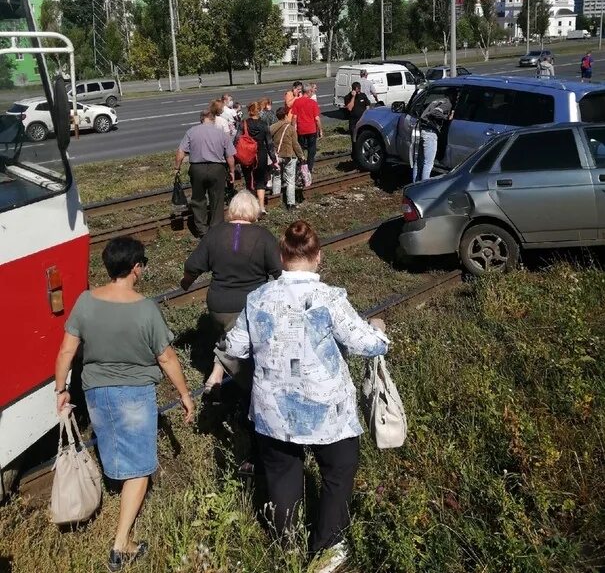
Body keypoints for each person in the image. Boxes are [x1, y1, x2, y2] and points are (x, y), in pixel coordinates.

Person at [224, 221, 388, 570]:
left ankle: (288, 545)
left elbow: (234, 348)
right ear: (318, 257)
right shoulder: (330, 298)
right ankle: (327, 549)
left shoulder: (258, 298)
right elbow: (367, 345)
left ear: (282, 256)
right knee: (338, 470)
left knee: (282, 473)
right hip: (327, 409)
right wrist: (380, 331)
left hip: (273, 411)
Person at [54, 237, 194, 572]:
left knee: (114, 444)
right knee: (142, 467)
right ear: (136, 268)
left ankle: (117, 491)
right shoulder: (145, 308)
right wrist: (185, 394)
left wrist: (61, 389)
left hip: (97, 391)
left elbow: (66, 351)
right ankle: (121, 544)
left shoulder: (85, 302)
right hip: (134, 393)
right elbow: (167, 357)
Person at [181, 190, 281, 393]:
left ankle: (218, 369)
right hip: (250, 306)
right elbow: (279, 272)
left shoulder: (215, 233)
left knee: (228, 333)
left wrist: (186, 282)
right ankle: (249, 390)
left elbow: (192, 266)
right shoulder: (263, 237)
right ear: (254, 211)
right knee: (249, 350)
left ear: (232, 210)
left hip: (218, 306)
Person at [175, 109, 236, 237]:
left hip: (197, 169)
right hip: (217, 169)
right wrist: (231, 171)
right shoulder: (221, 133)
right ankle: (216, 228)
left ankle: (202, 230)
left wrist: (177, 168)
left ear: (201, 119)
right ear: (213, 119)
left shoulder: (191, 131)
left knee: (198, 199)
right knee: (217, 199)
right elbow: (230, 156)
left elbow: (180, 152)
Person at [236, 101, 277, 215]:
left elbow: (236, 140)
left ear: (249, 111)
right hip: (261, 154)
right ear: (259, 110)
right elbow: (269, 143)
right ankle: (262, 207)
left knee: (249, 180)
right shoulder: (264, 125)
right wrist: (273, 159)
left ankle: (251, 207)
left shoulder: (243, 123)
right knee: (260, 181)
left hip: (246, 155)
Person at [410, 94, 453, 183]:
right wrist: (447, 118)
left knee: (419, 161)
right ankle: (424, 188)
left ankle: (415, 185)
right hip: (430, 133)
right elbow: (435, 113)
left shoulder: (437, 100)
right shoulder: (447, 103)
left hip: (423, 130)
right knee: (428, 163)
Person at [270, 106, 305, 210]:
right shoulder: (290, 128)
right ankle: (290, 204)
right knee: (290, 180)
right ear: (285, 116)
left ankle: (275, 201)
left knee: (276, 177)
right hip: (289, 155)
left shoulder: (272, 127)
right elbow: (295, 144)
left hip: (276, 156)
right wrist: (301, 155)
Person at [291, 83, 322, 173]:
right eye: (311, 91)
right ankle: (309, 167)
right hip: (311, 129)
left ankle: (301, 165)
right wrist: (320, 129)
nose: (312, 93)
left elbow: (294, 117)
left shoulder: (297, 102)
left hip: (301, 130)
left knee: (300, 149)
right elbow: (317, 119)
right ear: (308, 92)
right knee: (312, 150)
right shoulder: (313, 103)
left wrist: (293, 129)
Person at [344, 81, 371, 151]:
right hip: (353, 122)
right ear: (353, 89)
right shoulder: (347, 97)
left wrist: (367, 116)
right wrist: (353, 97)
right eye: (358, 89)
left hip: (362, 120)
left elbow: (367, 106)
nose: (359, 91)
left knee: (363, 138)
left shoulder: (363, 95)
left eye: (360, 89)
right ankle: (355, 153)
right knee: (354, 139)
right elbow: (349, 108)